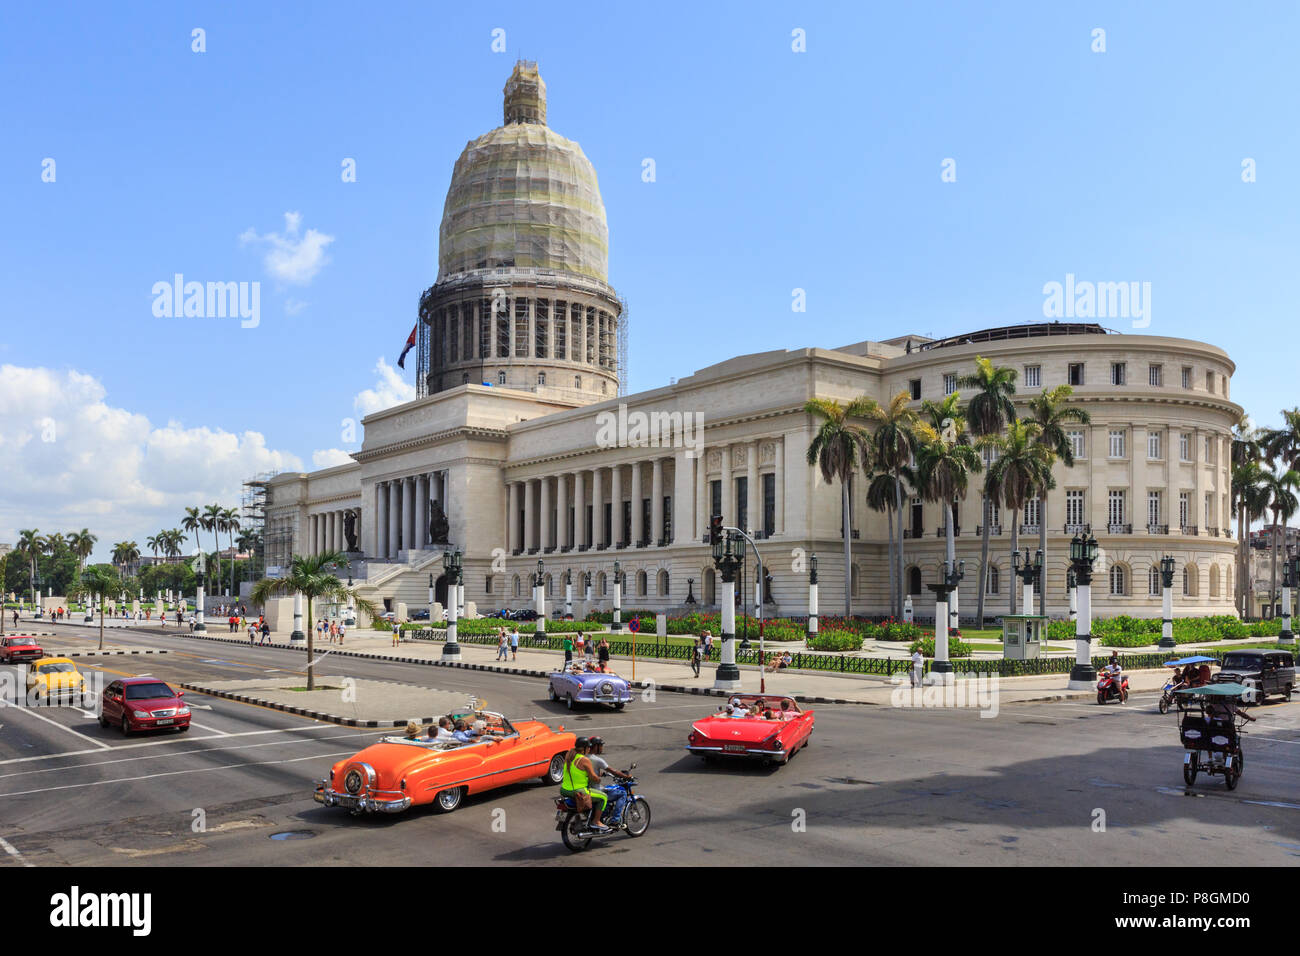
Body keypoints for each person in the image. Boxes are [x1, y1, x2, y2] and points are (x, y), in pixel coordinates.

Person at [560, 738, 609, 831]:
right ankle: (596, 821)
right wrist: (598, 779)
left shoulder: (569, 755)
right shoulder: (584, 760)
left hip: (564, 790)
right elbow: (593, 777)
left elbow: (577, 772)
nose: (589, 749)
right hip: (578, 791)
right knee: (604, 797)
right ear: (585, 748)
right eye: (589, 747)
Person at [586, 737, 633, 823]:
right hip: (595, 790)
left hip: (585, 788)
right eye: (601, 746)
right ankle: (615, 820)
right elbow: (613, 771)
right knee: (622, 793)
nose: (602, 748)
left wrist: (600, 774)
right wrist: (626, 777)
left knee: (607, 789)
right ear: (596, 746)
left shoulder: (583, 758)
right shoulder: (597, 760)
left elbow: (589, 772)